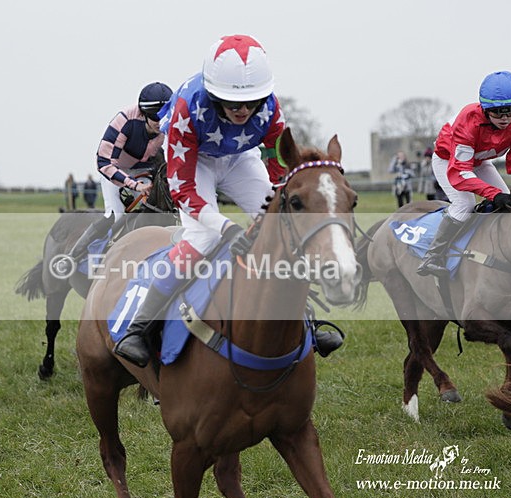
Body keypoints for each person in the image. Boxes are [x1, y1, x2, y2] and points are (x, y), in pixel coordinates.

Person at [115, 34, 343, 367]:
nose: (244, 110)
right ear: (213, 94)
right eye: (233, 103)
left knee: (282, 226)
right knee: (203, 238)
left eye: (252, 102)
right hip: (195, 161)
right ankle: (139, 328)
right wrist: (225, 228)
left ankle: (307, 319)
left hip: (240, 158)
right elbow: (182, 189)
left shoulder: (271, 109)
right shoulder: (186, 111)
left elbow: (279, 166)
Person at [417, 70, 511, 277]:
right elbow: (460, 172)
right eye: (498, 112)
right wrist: (493, 194)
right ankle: (432, 256)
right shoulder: (468, 120)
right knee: (465, 204)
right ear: (486, 109)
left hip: (479, 161)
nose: (505, 118)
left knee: (508, 204)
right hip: (449, 161)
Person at [58, 81, 173, 275]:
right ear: (143, 113)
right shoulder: (125, 120)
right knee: (116, 215)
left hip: (145, 169)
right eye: (155, 117)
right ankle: (72, 257)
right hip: (115, 170)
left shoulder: (172, 122)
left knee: (163, 208)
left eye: (165, 116)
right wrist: (132, 185)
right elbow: (103, 163)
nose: (161, 122)